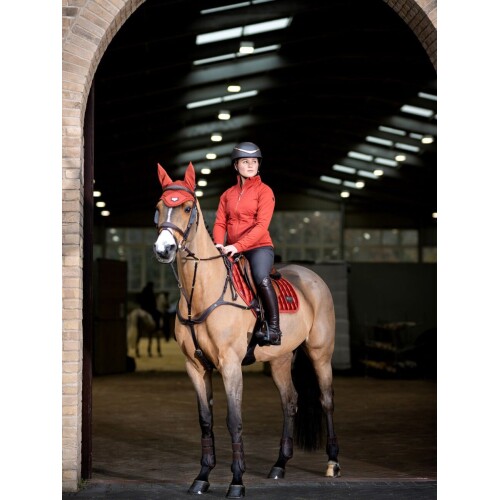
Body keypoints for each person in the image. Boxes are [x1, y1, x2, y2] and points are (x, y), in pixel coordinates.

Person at [213, 141, 282, 346]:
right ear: (236, 165)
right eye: (245, 162)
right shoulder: (227, 194)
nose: (250, 165)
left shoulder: (265, 192)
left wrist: (237, 246)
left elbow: (261, 226)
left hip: (258, 248)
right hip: (230, 248)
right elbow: (220, 223)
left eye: (254, 161)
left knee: (261, 277)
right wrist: (219, 244)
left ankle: (274, 328)